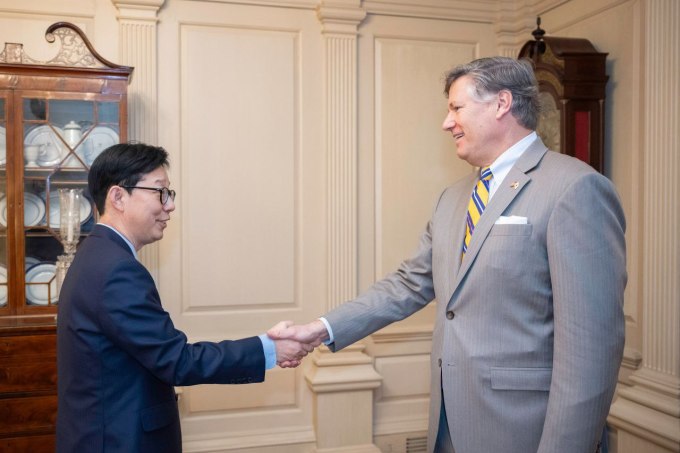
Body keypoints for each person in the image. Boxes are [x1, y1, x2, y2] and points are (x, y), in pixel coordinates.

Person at [269, 56, 626, 453]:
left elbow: (591, 349)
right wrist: (320, 329)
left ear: (501, 104)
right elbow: (409, 284)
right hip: (447, 424)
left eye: (456, 108)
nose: (447, 122)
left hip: (524, 431)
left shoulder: (575, 188)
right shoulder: (453, 198)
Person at [57, 143, 316, 453]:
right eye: (160, 192)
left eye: (170, 194)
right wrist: (270, 348)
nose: (170, 206)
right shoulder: (116, 270)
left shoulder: (96, 254)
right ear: (118, 197)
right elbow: (177, 361)